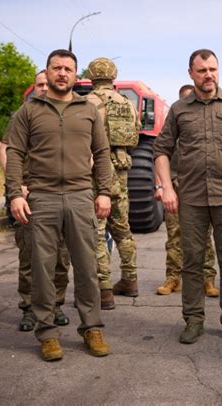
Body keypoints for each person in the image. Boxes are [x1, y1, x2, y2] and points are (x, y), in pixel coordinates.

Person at [6, 49, 113, 361]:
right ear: (48, 72)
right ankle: (48, 333)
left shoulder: (88, 109)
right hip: (42, 197)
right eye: (57, 68)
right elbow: (14, 153)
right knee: (42, 269)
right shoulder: (28, 111)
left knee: (86, 267)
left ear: (76, 75)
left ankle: (92, 327)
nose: (62, 73)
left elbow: (102, 152)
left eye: (68, 68)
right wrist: (15, 194)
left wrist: (104, 191)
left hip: (81, 196)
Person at [154, 49, 222, 345]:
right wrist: (166, 187)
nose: (208, 75)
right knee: (191, 262)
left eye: (213, 69)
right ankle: (193, 319)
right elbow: (161, 150)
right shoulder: (179, 109)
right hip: (191, 198)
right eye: (202, 70)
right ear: (191, 73)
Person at [0, 70, 71, 331]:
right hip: (30, 195)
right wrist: (17, 188)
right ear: (35, 87)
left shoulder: (65, 113)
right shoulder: (23, 114)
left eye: (46, 84)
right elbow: (7, 150)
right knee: (30, 255)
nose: (43, 88)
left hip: (60, 195)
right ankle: (29, 308)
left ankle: (56, 304)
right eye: (39, 84)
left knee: (61, 256)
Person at [154, 84, 219, 298]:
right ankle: (173, 278)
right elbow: (160, 153)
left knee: (204, 236)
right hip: (175, 185)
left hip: (200, 187)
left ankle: (207, 279)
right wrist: (161, 186)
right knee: (174, 235)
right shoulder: (174, 119)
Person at [86, 57, 140, 307]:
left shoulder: (85, 102)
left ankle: (103, 289)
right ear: (113, 76)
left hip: (96, 172)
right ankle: (130, 280)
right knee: (122, 228)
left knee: (97, 231)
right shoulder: (126, 103)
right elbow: (135, 136)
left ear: (92, 75)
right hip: (121, 171)